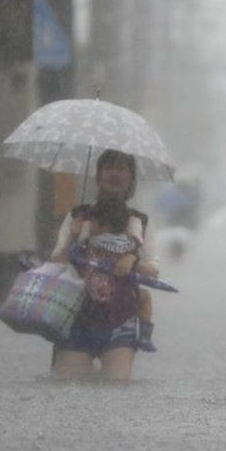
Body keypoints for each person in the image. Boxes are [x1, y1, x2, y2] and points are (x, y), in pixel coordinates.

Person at [50, 149, 159, 382]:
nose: (115, 174)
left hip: (121, 320)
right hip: (76, 318)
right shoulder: (78, 217)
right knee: (67, 388)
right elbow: (56, 263)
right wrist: (72, 236)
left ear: (131, 179)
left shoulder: (139, 221)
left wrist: (133, 260)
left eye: (122, 169)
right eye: (109, 168)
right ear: (98, 176)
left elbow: (153, 270)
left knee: (116, 386)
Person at [68, 197, 157, 353]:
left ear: (100, 224)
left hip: (91, 297)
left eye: (93, 222)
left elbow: (74, 257)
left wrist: (76, 237)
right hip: (119, 302)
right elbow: (144, 263)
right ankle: (144, 337)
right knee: (145, 297)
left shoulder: (91, 243)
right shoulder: (129, 245)